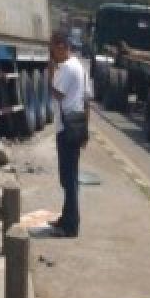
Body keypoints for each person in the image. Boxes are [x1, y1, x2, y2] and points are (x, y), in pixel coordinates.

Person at [47, 31, 92, 238]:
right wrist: (86, 131)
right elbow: (86, 100)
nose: (51, 54)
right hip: (77, 124)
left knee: (68, 178)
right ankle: (66, 218)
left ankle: (71, 225)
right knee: (69, 176)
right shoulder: (80, 68)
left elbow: (57, 93)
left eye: (52, 49)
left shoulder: (66, 68)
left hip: (66, 127)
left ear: (61, 46)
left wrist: (49, 75)